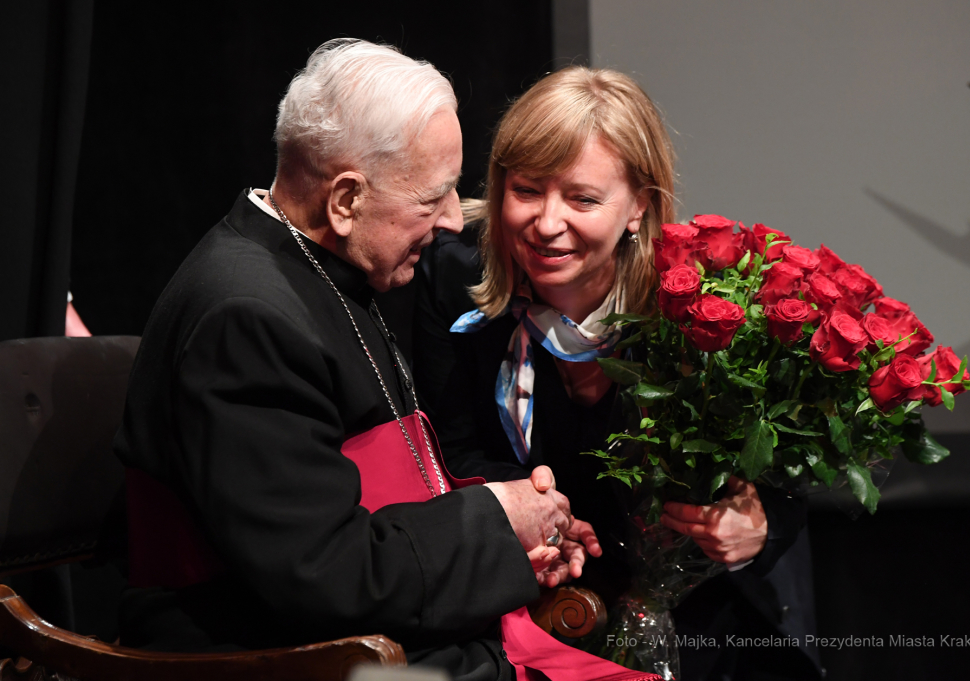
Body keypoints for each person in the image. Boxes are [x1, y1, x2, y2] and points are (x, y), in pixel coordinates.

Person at [113, 39, 619, 681]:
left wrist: (518, 522)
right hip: (274, 656)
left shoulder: (328, 270)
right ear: (345, 201)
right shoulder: (245, 318)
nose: (449, 223)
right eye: (431, 197)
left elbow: (381, 493)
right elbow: (321, 574)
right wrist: (495, 522)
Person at [413, 67, 823, 680]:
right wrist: (539, 509)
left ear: (640, 208)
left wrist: (759, 524)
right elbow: (451, 445)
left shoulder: (699, 306)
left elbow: (787, 469)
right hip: (536, 603)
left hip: (700, 615)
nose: (547, 224)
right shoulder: (452, 273)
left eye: (582, 199)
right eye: (526, 190)